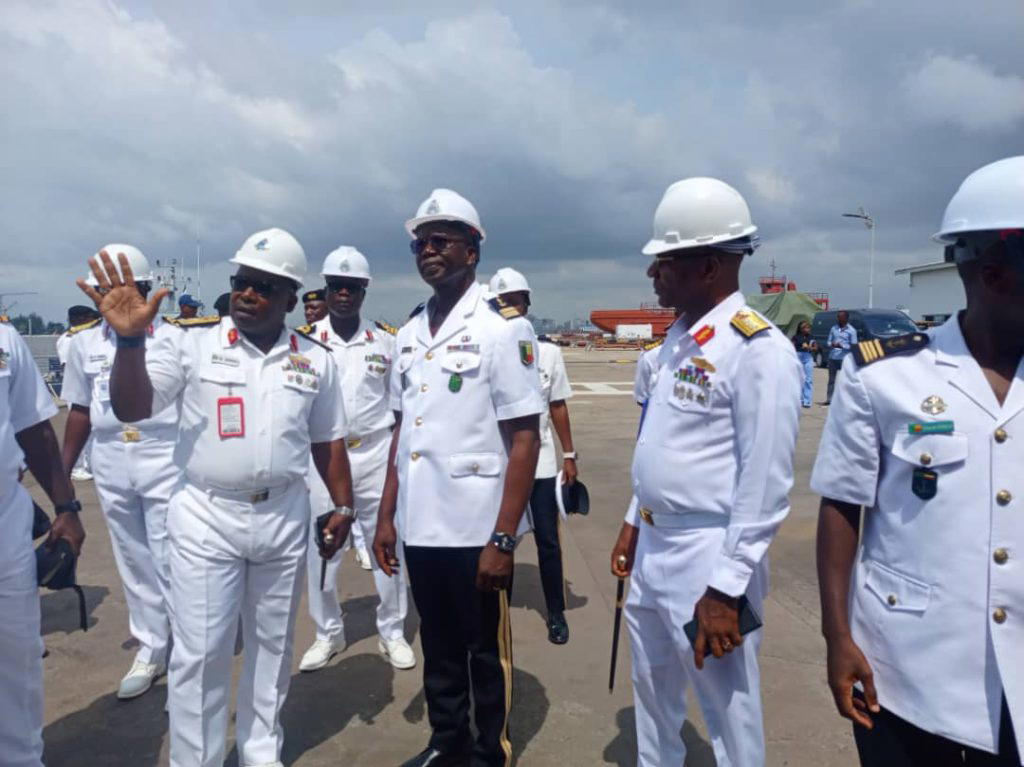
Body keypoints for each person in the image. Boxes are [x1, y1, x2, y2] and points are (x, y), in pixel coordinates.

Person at [79, 229, 355, 767]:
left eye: (263, 287)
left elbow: (328, 441)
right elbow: (133, 406)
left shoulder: (314, 359)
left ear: (291, 299)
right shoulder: (191, 345)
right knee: (201, 652)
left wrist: (342, 506)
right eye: (241, 282)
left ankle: (260, 751)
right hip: (207, 514)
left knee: (273, 647)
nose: (247, 294)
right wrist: (130, 344)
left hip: (283, 514)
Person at [811, 156, 1024, 766]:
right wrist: (836, 636)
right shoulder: (887, 375)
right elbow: (842, 504)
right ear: (995, 275)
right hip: (903, 670)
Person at [609, 177, 802, 767]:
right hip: (654, 542)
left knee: (728, 709)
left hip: (709, 552)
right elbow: (660, 443)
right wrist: (633, 521)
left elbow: (765, 484)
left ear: (710, 266)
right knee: (651, 690)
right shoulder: (674, 342)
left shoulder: (758, 352)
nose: (653, 274)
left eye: (665, 261)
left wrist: (725, 587)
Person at [373, 189, 543, 767]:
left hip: (476, 526)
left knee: (483, 651)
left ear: (472, 251)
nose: (428, 251)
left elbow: (525, 438)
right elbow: (403, 432)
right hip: (421, 522)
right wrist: (386, 516)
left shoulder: (502, 330)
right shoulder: (409, 333)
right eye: (420, 243)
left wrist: (504, 537)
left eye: (441, 240)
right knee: (439, 646)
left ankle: (489, 752)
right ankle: (447, 743)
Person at [61, 245, 179, 700]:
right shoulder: (84, 343)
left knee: (172, 555)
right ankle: (152, 646)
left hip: (164, 452)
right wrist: (63, 473)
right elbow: (79, 408)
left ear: (146, 290)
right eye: (106, 290)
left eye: (127, 288)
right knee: (133, 557)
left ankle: (187, 649)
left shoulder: (176, 339)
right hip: (111, 455)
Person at [297, 246, 415, 673]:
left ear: (364, 292)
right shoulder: (305, 342)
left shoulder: (386, 341)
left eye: (352, 287)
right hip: (324, 459)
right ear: (326, 291)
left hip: (376, 453)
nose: (344, 294)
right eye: (336, 287)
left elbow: (400, 407)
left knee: (387, 541)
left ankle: (392, 629)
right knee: (323, 547)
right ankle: (328, 632)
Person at [1, 317, 86, 766]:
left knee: (17, 657)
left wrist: (66, 507)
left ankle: (21, 758)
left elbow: (33, 428)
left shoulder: (3, 338)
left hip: (4, 525)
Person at [490, 267, 578, 645]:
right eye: (502, 303)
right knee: (501, 538)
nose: (510, 309)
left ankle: (555, 611)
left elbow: (557, 404)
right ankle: (497, 611)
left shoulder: (549, 353)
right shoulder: (486, 349)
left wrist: (569, 454)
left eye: (516, 301)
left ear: (527, 304)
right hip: (500, 463)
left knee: (548, 541)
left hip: (540, 463)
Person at [57, 305, 100, 482]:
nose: (94, 322)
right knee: (77, 429)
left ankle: (88, 465)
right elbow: (68, 366)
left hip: (87, 388)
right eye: (91, 318)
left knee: (91, 429)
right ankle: (77, 467)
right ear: (81, 319)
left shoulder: (82, 337)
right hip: (75, 388)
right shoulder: (68, 339)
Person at [825, 310, 857, 404]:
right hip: (833, 357)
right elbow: (828, 341)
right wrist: (831, 344)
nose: (838, 318)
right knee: (831, 380)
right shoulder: (833, 328)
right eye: (838, 317)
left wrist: (842, 346)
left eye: (840, 317)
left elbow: (854, 346)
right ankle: (829, 399)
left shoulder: (852, 330)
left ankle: (845, 400)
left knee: (845, 380)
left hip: (844, 358)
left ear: (846, 318)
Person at [792, 320, 817, 408]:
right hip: (798, 356)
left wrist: (809, 347)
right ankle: (799, 400)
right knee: (799, 379)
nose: (808, 329)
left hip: (808, 357)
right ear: (801, 329)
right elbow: (792, 347)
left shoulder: (811, 337)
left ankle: (807, 401)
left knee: (808, 379)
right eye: (806, 328)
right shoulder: (795, 337)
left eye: (808, 327)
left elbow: (815, 348)